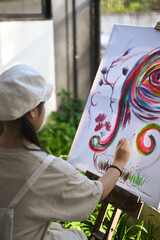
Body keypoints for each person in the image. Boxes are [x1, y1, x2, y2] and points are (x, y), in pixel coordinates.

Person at [0, 64, 130, 240]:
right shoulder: (45, 169)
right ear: (32, 111)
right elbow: (95, 193)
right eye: (43, 104)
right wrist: (119, 162)